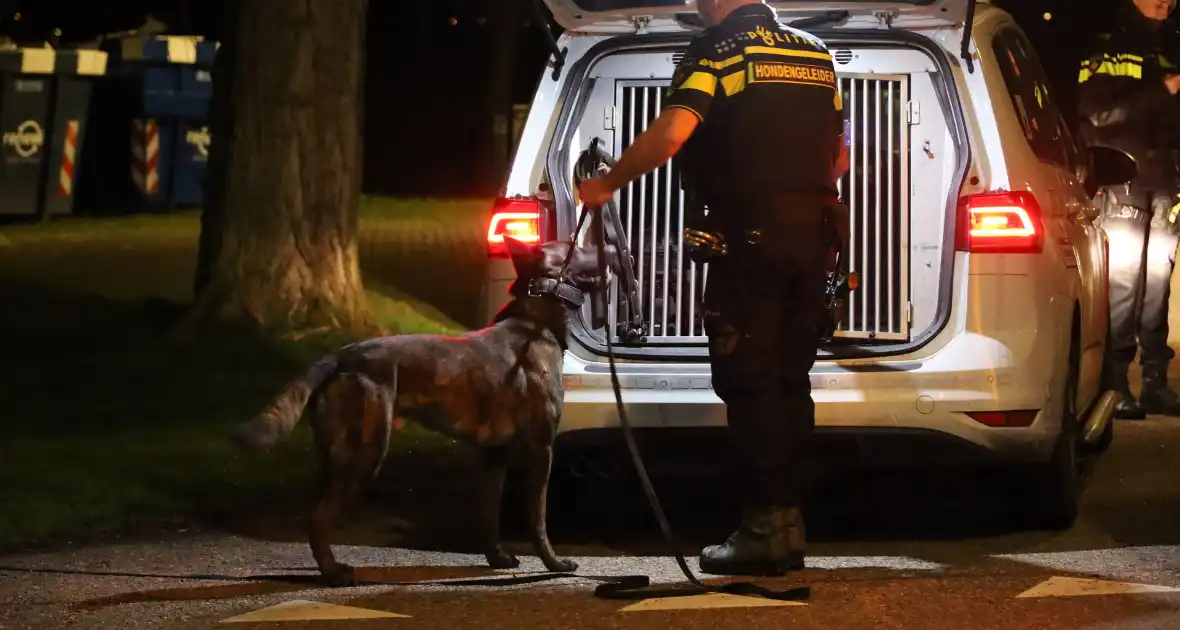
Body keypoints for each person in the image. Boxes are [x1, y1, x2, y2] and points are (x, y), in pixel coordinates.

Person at [578, 0, 849, 575]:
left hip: (751, 239)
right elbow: (840, 157)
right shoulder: (817, 55)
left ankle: (763, 532)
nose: (696, 7)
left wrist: (609, 181)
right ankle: (789, 525)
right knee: (790, 379)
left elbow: (673, 132)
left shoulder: (717, 50)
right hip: (816, 237)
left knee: (749, 380)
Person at [1077, 0, 1180, 419]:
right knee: (1122, 284)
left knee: (1158, 284)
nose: (1167, 1)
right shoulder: (1109, 44)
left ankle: (1155, 382)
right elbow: (1097, 113)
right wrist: (1162, 91)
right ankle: (1115, 383)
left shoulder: (1171, 44)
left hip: (1166, 182)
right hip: (1123, 180)